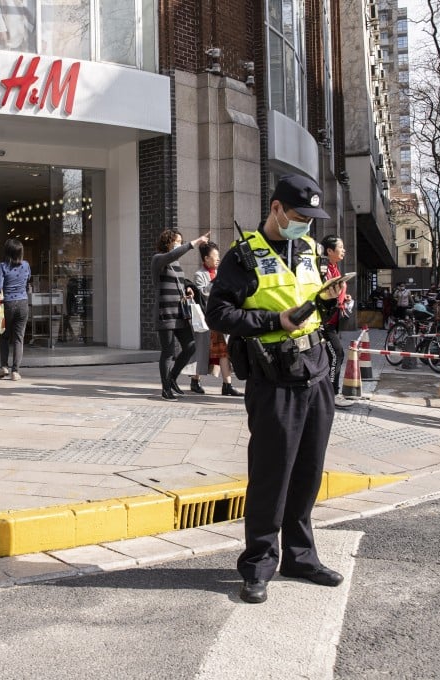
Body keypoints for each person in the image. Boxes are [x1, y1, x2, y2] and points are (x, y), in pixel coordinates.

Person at [206, 174, 347, 605]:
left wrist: (328, 301)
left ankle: (301, 556)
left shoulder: (307, 251)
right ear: (276, 209)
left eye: (311, 219)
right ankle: (259, 562)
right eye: (300, 216)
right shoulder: (243, 257)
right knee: (272, 473)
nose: (306, 225)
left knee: (308, 469)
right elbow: (219, 314)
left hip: (316, 368)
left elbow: (315, 306)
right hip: (274, 376)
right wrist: (273, 322)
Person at [151, 229, 209, 400]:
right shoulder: (158, 259)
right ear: (168, 242)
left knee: (190, 346)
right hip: (165, 313)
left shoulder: (176, 264)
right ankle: (165, 388)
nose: (179, 244)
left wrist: (187, 289)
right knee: (168, 352)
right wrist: (194, 243)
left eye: (181, 241)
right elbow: (172, 255)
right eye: (177, 241)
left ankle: (172, 378)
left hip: (179, 312)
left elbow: (179, 282)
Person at [189, 243, 242, 396]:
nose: (218, 260)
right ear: (206, 259)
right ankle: (195, 380)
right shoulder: (199, 275)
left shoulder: (220, 273)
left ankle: (227, 385)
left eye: (219, 257)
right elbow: (203, 294)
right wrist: (216, 281)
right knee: (203, 351)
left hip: (220, 319)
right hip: (206, 320)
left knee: (223, 352)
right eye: (215, 257)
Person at [320, 235, 354, 409]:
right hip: (323, 321)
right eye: (340, 247)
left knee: (328, 356)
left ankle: (324, 392)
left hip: (333, 320)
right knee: (337, 354)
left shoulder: (335, 269)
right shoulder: (323, 269)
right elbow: (322, 295)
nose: (344, 250)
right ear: (329, 251)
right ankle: (332, 393)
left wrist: (344, 298)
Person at [0, 238, 31, 380]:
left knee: (4, 337)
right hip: (23, 302)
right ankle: (15, 371)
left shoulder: (3, 266)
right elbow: (27, 280)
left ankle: (4, 366)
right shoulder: (26, 265)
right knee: (18, 338)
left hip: (7, 304)